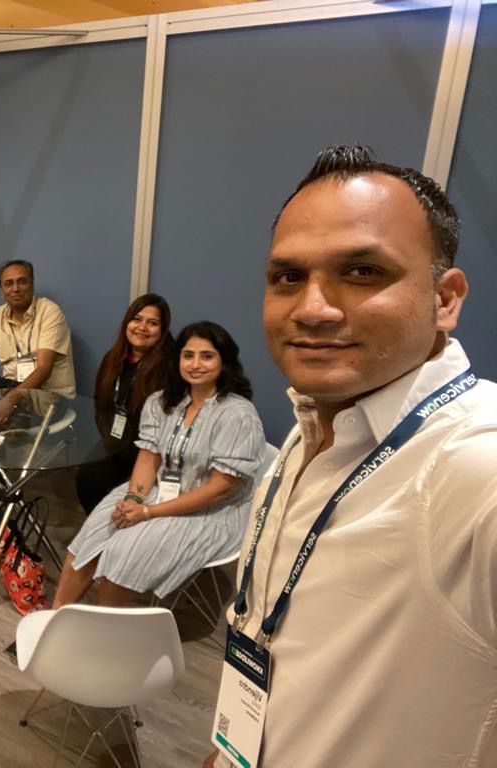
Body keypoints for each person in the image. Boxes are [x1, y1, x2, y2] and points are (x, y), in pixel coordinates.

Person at [204, 146, 497, 768]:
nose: (312, 308)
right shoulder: (312, 424)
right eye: (287, 277)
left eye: (363, 272)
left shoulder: (474, 468)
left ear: (446, 299)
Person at [53, 321, 265, 608]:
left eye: (207, 355)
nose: (195, 364)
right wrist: (133, 498)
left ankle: (101, 635)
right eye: (188, 355)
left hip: (210, 510)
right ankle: (55, 619)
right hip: (154, 491)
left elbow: (220, 489)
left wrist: (148, 512)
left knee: (122, 554)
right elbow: (149, 455)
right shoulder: (161, 402)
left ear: (224, 361)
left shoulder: (238, 414)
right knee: (88, 540)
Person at [0, 259, 77, 529]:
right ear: (1, 290)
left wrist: (11, 399)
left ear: (32, 284)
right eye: (9, 283)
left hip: (50, 398)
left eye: (22, 281)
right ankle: (12, 416)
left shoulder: (49, 312)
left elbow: (43, 369)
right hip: (12, 390)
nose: (15, 288)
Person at [75, 294, 176, 513]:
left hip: (150, 452)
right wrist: (111, 442)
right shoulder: (112, 359)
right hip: (115, 442)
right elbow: (101, 407)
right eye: (137, 319)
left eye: (153, 323)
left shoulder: (170, 368)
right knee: (88, 479)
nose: (142, 327)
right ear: (127, 322)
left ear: (162, 330)